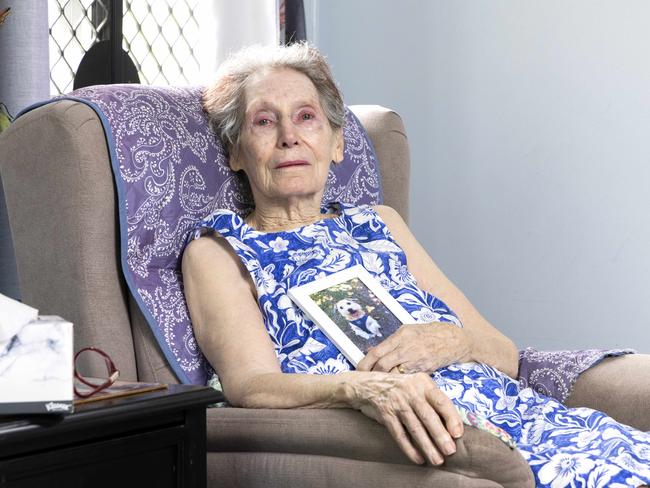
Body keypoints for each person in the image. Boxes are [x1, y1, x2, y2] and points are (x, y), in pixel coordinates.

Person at [182, 42, 650, 486]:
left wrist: (455, 339)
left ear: (337, 143)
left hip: (524, 414)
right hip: (442, 432)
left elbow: (504, 355)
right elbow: (252, 385)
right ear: (236, 152)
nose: (289, 137)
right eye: (264, 122)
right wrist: (362, 389)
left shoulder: (379, 223)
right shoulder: (220, 249)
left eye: (307, 118)